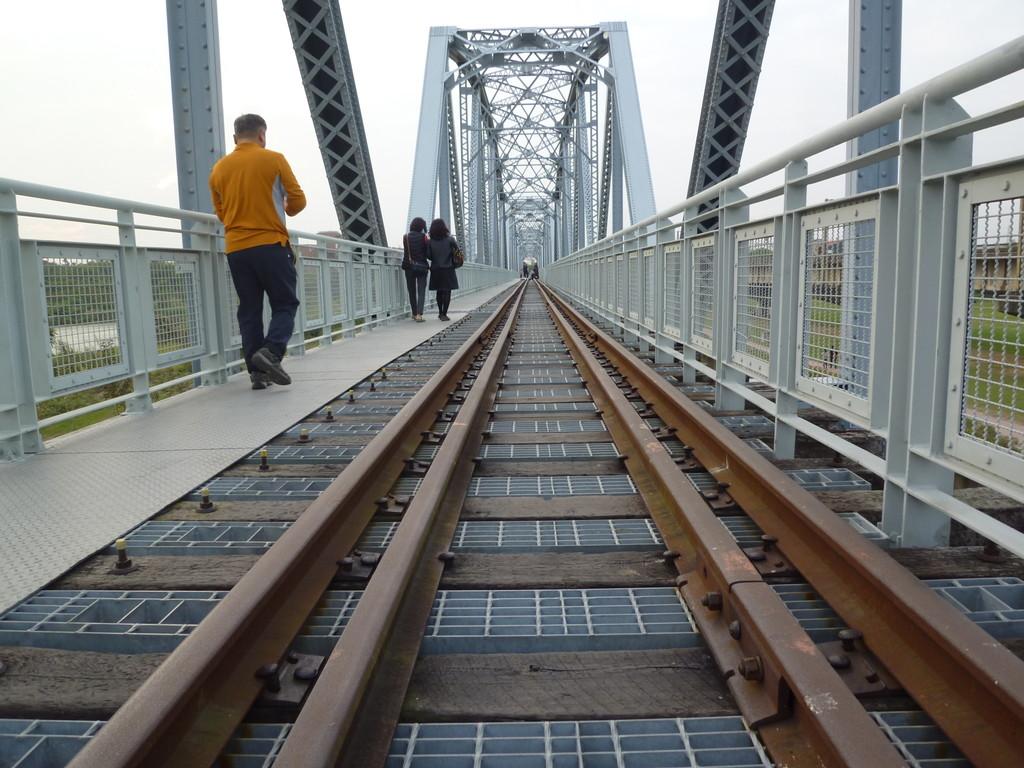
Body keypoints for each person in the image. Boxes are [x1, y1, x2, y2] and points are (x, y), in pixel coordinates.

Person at [209, 113, 306, 390]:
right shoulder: (274, 159)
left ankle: (257, 373)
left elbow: (222, 213)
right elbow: (298, 200)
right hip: (271, 244)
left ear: (235, 137)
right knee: (285, 304)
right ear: (262, 135)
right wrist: (286, 208)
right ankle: (271, 352)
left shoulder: (219, 169)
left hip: (237, 249)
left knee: (249, 309)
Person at [426, 218, 461, 321]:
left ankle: (440, 312)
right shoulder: (450, 240)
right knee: (447, 291)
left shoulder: (430, 241)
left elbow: (428, 256)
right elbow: (457, 252)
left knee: (439, 291)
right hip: (448, 268)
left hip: (436, 269)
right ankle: (444, 314)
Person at [402, 217, 429, 322]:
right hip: (422, 266)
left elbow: (407, 251)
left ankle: (414, 313)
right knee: (421, 290)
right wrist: (426, 232)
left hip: (409, 266)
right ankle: (419, 314)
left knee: (411, 290)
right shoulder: (424, 237)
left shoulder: (406, 237)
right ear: (422, 226)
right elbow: (427, 251)